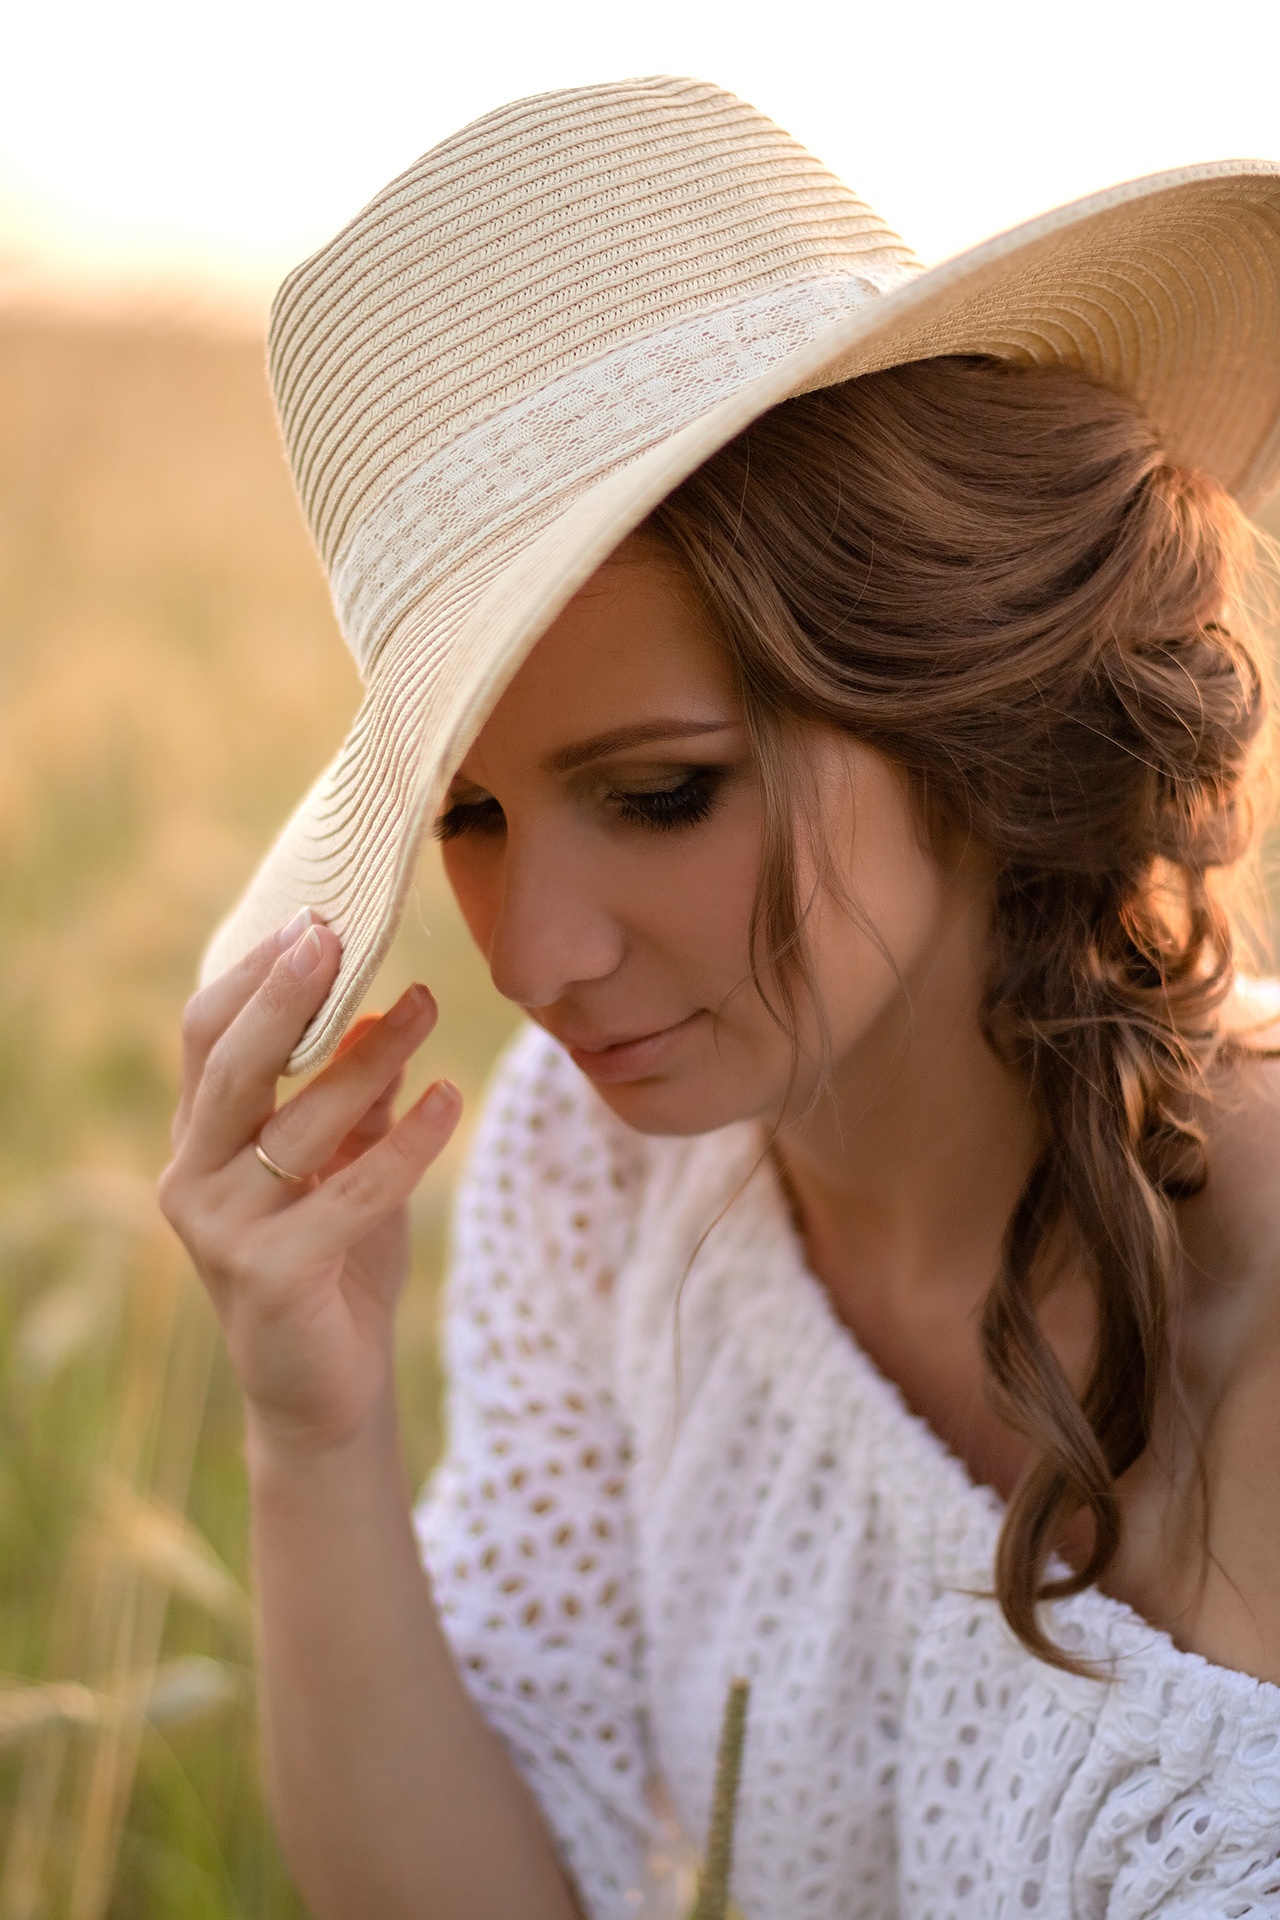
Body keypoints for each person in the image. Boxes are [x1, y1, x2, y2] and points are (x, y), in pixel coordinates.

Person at [158, 78, 1280, 1920]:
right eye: (473, 818)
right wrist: (313, 1435)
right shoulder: (593, 1185)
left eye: (661, 794)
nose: (532, 960)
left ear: (953, 697)